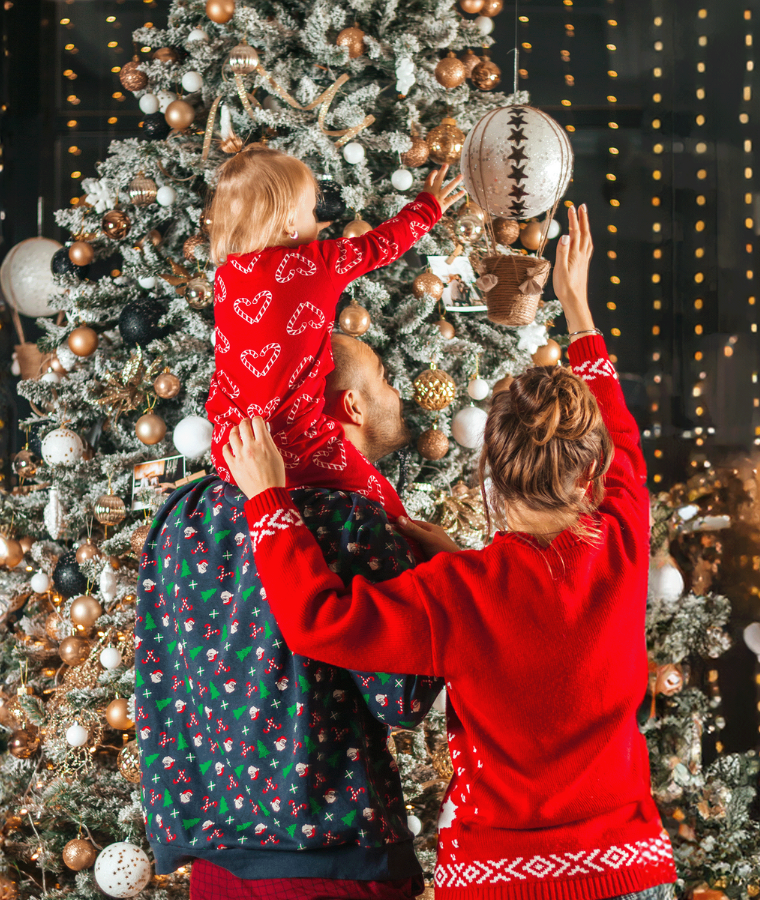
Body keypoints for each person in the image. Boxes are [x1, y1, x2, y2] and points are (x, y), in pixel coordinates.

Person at [222, 205, 678, 900]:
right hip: (627, 869)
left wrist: (267, 500)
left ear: (490, 475)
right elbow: (626, 448)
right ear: (590, 476)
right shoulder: (620, 538)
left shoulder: (461, 590)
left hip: (498, 880)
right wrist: (577, 310)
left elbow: (319, 620)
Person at [135, 333, 444, 900]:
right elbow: (404, 698)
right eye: (385, 379)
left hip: (216, 868)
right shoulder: (351, 520)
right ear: (351, 405)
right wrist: (441, 579)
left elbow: (159, 685)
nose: (399, 395)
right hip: (333, 861)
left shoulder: (179, 515)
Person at [205, 143, 464, 520]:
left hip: (232, 445)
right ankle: (410, 542)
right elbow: (382, 245)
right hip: (296, 442)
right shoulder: (320, 262)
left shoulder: (226, 276)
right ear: (289, 220)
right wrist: (428, 206)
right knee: (381, 497)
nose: (319, 223)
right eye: (312, 211)